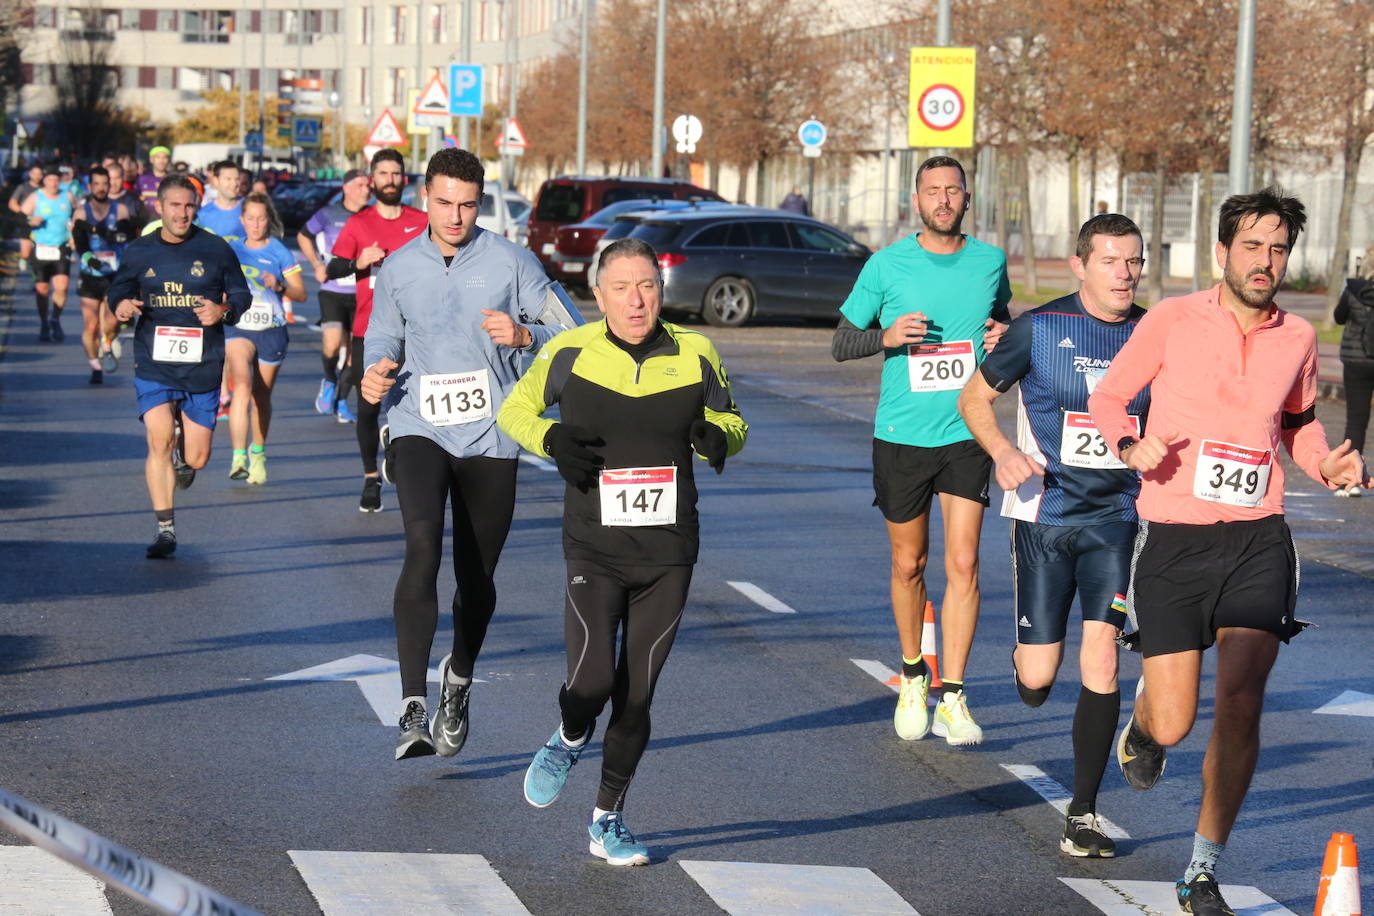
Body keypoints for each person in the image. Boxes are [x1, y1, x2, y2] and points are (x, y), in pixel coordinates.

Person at [1088, 188, 1372, 916]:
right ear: (1222, 252)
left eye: (1278, 248)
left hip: (1257, 538)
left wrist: (1326, 464)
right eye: (1252, 246)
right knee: (1176, 721)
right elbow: (1109, 399)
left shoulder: (1298, 337)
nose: (1265, 261)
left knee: (1241, 703)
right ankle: (1147, 719)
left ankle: (1201, 870)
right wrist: (1129, 443)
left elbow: (1298, 424)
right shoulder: (1172, 319)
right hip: (1173, 538)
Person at [498, 237, 746, 867]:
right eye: (622, 288)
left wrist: (717, 436)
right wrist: (551, 439)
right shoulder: (569, 351)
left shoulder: (697, 351)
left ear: (661, 291)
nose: (636, 300)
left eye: (647, 286)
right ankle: (569, 734)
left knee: (637, 696)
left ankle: (607, 819)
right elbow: (514, 410)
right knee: (592, 681)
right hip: (595, 546)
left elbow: (734, 420)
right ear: (598, 294)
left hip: (668, 551)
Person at [359, 147, 564, 759]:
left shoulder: (513, 262)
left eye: (468, 205)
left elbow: (572, 333)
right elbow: (383, 334)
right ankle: (412, 706)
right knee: (422, 545)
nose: (455, 216)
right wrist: (375, 371)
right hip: (418, 423)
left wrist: (525, 334)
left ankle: (460, 676)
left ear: (481, 204)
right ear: (425, 197)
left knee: (477, 575)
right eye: (445, 202)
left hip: (492, 433)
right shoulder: (399, 267)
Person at [957, 213, 1150, 859]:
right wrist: (1002, 452)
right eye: (1110, 261)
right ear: (1079, 265)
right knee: (1038, 679)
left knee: (1101, 658)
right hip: (1044, 515)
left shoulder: (1154, 333)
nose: (1124, 273)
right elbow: (972, 400)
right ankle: (1027, 662)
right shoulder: (1039, 329)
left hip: (1116, 519)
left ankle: (1083, 814)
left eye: (1134, 261)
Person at [831, 155, 1010, 747]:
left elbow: (1002, 322)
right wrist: (885, 337)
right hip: (902, 435)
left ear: (967, 199)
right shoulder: (886, 265)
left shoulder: (990, 262)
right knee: (909, 563)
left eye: (953, 190)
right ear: (917, 201)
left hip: (966, 432)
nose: (943, 200)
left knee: (964, 562)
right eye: (933, 191)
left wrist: (1003, 336)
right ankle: (913, 674)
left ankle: (953, 694)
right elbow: (841, 341)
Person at [106, 174, 252, 558]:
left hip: (202, 364)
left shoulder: (216, 249)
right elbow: (118, 288)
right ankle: (165, 530)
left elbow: (241, 294)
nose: (182, 213)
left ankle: (182, 454)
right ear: (160, 207)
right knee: (158, 440)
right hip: (154, 361)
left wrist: (223, 310)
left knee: (196, 458)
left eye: (189, 206)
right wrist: (121, 305)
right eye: (175, 205)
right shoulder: (140, 251)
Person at [326, 149, 428, 513]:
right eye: (383, 173)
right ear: (373, 179)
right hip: (368, 329)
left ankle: (396, 448)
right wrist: (359, 262)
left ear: (404, 178)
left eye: (396, 173)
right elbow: (332, 268)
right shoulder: (359, 223)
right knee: (368, 407)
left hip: (416, 330)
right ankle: (371, 477)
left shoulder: (422, 221)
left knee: (413, 404)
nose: (390, 179)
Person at [224, 192, 304, 485]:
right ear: (242, 220)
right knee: (242, 385)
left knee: (261, 398)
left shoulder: (280, 252)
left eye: (261, 219)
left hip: (271, 330)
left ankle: (257, 453)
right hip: (239, 328)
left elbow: (301, 294)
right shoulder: (230, 248)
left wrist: (279, 285)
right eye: (250, 218)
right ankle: (238, 457)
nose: (255, 224)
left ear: (269, 220)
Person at [299, 168, 370, 421]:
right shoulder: (328, 214)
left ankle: (341, 401)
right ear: (346, 188)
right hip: (333, 290)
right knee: (332, 342)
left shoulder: (372, 216)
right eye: (360, 185)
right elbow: (303, 236)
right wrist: (317, 264)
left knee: (355, 354)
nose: (366, 190)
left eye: (368, 185)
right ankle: (329, 379)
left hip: (363, 292)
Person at [72, 166, 134, 383]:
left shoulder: (121, 210)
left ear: (110, 185)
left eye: (104, 184)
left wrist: (97, 230)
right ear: (90, 186)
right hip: (90, 274)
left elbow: (124, 236)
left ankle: (107, 344)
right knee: (91, 327)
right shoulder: (81, 212)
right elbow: (80, 243)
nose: (101, 188)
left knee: (112, 323)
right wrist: (90, 258)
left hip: (114, 274)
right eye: (96, 184)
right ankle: (95, 366)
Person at [1333, 242, 1374, 496]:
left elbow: (1339, 317)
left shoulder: (1353, 290)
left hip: (1356, 361)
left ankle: (1349, 480)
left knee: (1356, 421)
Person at [21, 167, 76, 343]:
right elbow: (20, 218)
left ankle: (55, 318)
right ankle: (44, 322)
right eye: (50, 180)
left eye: (56, 180)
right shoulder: (36, 197)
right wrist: (31, 220)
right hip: (41, 248)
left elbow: (78, 215)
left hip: (61, 247)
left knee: (62, 287)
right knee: (42, 290)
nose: (53, 183)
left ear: (59, 181)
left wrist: (75, 232)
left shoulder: (67, 196)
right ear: (44, 181)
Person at [197, 161, 245, 242]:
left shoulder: (250, 208)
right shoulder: (203, 215)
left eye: (237, 179)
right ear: (216, 181)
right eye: (228, 179)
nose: (234, 184)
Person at [8, 164, 43, 272]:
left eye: (39, 174)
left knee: (39, 253)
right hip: (26, 222)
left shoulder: (44, 189)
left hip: (42, 223)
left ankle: (37, 274)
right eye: (35, 173)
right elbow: (12, 203)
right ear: (30, 174)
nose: (37, 176)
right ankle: (23, 260)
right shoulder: (23, 187)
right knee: (25, 253)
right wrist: (25, 214)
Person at [135, 146, 171, 217]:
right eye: (158, 157)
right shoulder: (142, 179)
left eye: (165, 158)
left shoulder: (172, 179)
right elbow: (134, 199)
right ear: (151, 159)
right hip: (144, 220)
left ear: (169, 160)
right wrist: (138, 200)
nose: (161, 161)